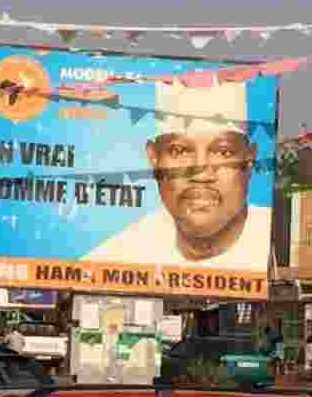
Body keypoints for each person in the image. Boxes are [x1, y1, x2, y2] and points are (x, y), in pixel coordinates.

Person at [84, 81, 272, 269]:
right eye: (180, 151)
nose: (201, 174)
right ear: (154, 158)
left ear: (249, 159)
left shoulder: (275, 243)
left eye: (223, 153)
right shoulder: (114, 259)